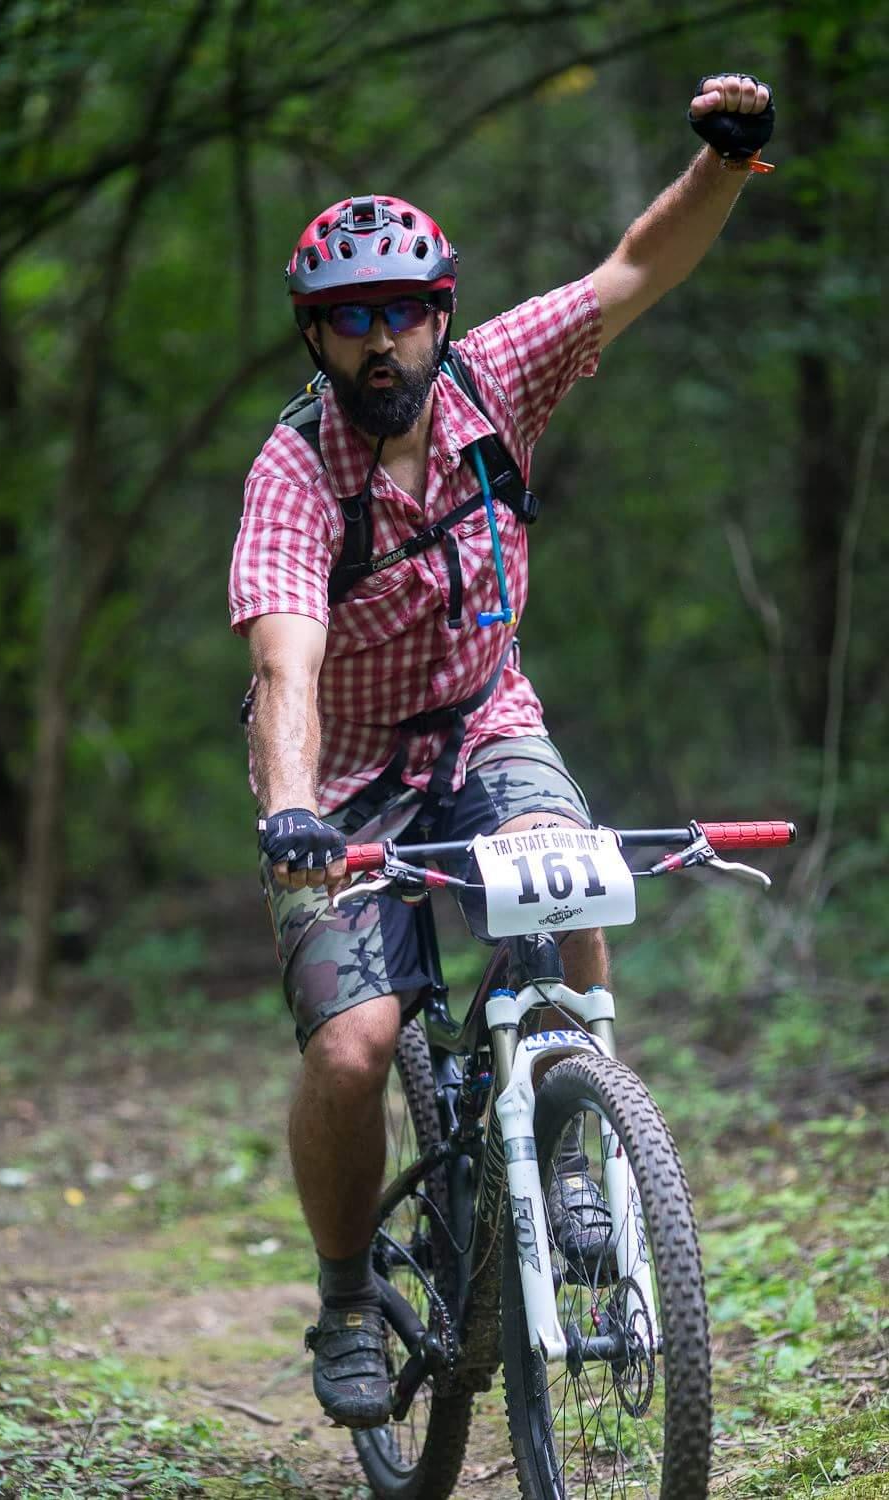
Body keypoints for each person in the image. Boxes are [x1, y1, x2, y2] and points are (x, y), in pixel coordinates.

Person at [229, 74, 775, 1430]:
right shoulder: (293, 473)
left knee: (573, 865)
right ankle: (351, 1296)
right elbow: (283, 667)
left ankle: (579, 1125)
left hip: (484, 718)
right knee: (356, 1049)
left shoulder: (499, 376)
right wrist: (295, 810)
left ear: (441, 316)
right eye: (348, 322)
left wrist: (723, 160)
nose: (379, 346)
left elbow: (635, 270)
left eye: (400, 315)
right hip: (342, 779)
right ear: (315, 337)